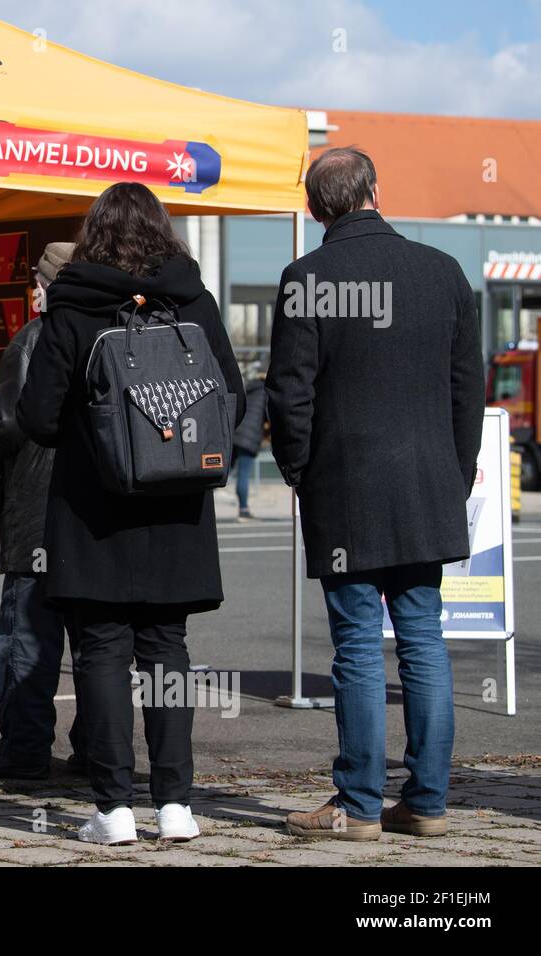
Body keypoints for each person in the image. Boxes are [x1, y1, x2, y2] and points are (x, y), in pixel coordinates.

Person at [17, 183, 245, 845]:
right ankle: (176, 804)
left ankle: (113, 809)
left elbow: (36, 416)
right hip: (177, 503)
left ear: (94, 235)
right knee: (167, 650)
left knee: (102, 653)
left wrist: (94, 440)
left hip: (94, 506)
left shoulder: (73, 305)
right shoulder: (193, 299)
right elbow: (228, 393)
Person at [269, 148, 484, 840]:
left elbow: (289, 393)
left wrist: (300, 471)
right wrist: (457, 470)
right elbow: (465, 390)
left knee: (358, 645)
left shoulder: (307, 278)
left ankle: (359, 805)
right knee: (424, 637)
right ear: (375, 192)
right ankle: (427, 802)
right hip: (428, 483)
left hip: (346, 486)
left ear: (314, 209)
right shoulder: (443, 272)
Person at [0, 241, 81, 781]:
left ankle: (25, 748)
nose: (31, 288)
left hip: (36, 507)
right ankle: (98, 750)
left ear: (53, 283)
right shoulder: (115, 333)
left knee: (28, 636)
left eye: (37, 278)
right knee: (96, 643)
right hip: (94, 517)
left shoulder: (34, 338)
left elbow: (7, 422)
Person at [232, 366, 267, 520]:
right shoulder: (267, 391)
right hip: (249, 437)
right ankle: (244, 510)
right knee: (243, 473)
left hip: (236, 432)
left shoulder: (250, 388)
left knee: (223, 474)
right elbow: (269, 416)